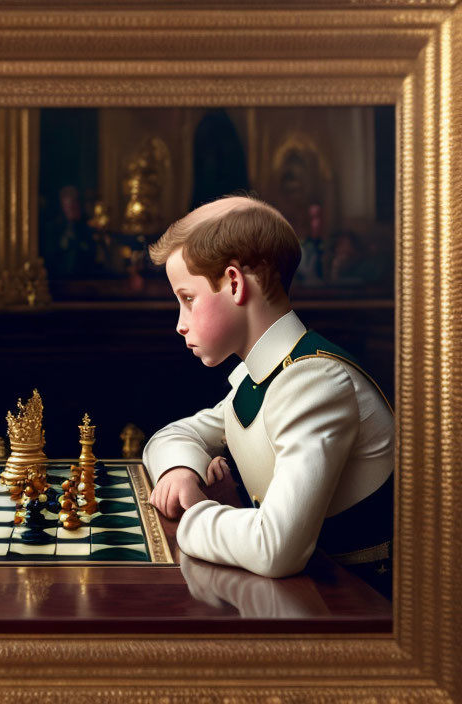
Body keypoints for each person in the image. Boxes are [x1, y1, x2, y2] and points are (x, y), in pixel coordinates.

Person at [143, 195, 394, 598]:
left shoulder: (314, 384)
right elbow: (171, 436)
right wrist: (180, 473)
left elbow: (276, 548)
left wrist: (195, 514)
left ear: (236, 284)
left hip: (366, 614)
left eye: (187, 299)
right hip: (307, 599)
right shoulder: (268, 375)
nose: (179, 324)